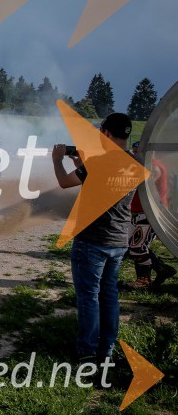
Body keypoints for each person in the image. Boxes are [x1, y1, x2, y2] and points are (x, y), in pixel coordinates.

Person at [52, 112, 137, 362]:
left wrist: (58, 160)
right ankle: (106, 349)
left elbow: (65, 182)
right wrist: (83, 163)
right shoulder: (133, 162)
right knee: (109, 294)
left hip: (92, 240)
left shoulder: (100, 162)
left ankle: (87, 351)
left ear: (107, 134)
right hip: (118, 240)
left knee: (89, 295)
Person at [127, 141, 175, 288]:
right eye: (134, 152)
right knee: (136, 245)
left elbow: (143, 184)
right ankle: (162, 269)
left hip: (149, 214)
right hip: (141, 212)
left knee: (136, 248)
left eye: (138, 152)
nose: (135, 155)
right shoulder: (147, 166)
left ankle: (143, 281)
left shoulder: (153, 167)